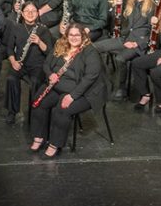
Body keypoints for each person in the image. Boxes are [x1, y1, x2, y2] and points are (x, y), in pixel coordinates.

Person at [28, 24, 107, 158]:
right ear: (67, 35)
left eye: (77, 35)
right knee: (39, 102)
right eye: (71, 35)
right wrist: (50, 75)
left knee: (62, 109)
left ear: (83, 36)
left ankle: (55, 143)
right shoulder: (60, 44)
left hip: (83, 91)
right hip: (57, 85)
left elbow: (90, 78)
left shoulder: (90, 51)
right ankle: (39, 136)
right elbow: (47, 64)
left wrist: (72, 96)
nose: (74, 38)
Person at [94, 0, 154, 100]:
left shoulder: (152, 6)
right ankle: (104, 82)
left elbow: (152, 31)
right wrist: (114, 7)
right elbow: (118, 21)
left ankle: (121, 89)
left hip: (138, 44)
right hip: (125, 38)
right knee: (95, 47)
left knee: (121, 59)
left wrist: (137, 43)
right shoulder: (130, 2)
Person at [3, 2, 53, 124]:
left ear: (37, 13)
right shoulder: (16, 28)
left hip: (38, 66)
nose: (30, 14)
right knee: (11, 78)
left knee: (36, 82)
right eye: (27, 11)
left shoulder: (43, 30)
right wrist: (13, 61)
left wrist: (39, 42)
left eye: (33, 11)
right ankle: (12, 111)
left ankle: (35, 111)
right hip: (20, 63)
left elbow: (50, 52)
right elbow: (9, 48)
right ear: (22, 14)